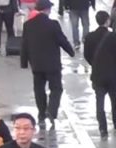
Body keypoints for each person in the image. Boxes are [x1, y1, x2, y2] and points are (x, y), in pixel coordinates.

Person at [20, 0, 75, 130]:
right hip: (52, 64)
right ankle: (51, 111)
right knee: (56, 88)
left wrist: (24, 62)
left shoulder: (28, 25)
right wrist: (71, 52)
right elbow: (62, 40)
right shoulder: (53, 24)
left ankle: (41, 114)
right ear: (46, 10)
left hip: (37, 64)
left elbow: (24, 44)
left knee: (39, 89)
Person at [83, 10, 116, 138]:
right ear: (108, 21)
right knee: (115, 99)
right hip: (113, 76)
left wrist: (95, 65)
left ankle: (102, 128)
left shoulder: (89, 37)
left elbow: (87, 55)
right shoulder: (114, 37)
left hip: (98, 75)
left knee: (99, 102)